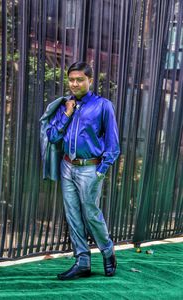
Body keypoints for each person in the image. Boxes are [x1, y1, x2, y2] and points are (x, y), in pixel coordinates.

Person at [45, 61, 120, 280]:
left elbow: (113, 144)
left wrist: (102, 170)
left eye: (80, 80)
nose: (75, 84)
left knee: (91, 213)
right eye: (71, 80)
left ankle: (107, 251)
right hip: (67, 166)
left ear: (90, 81)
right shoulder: (65, 105)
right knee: (72, 215)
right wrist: (67, 113)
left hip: (91, 168)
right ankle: (83, 261)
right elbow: (52, 136)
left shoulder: (103, 105)